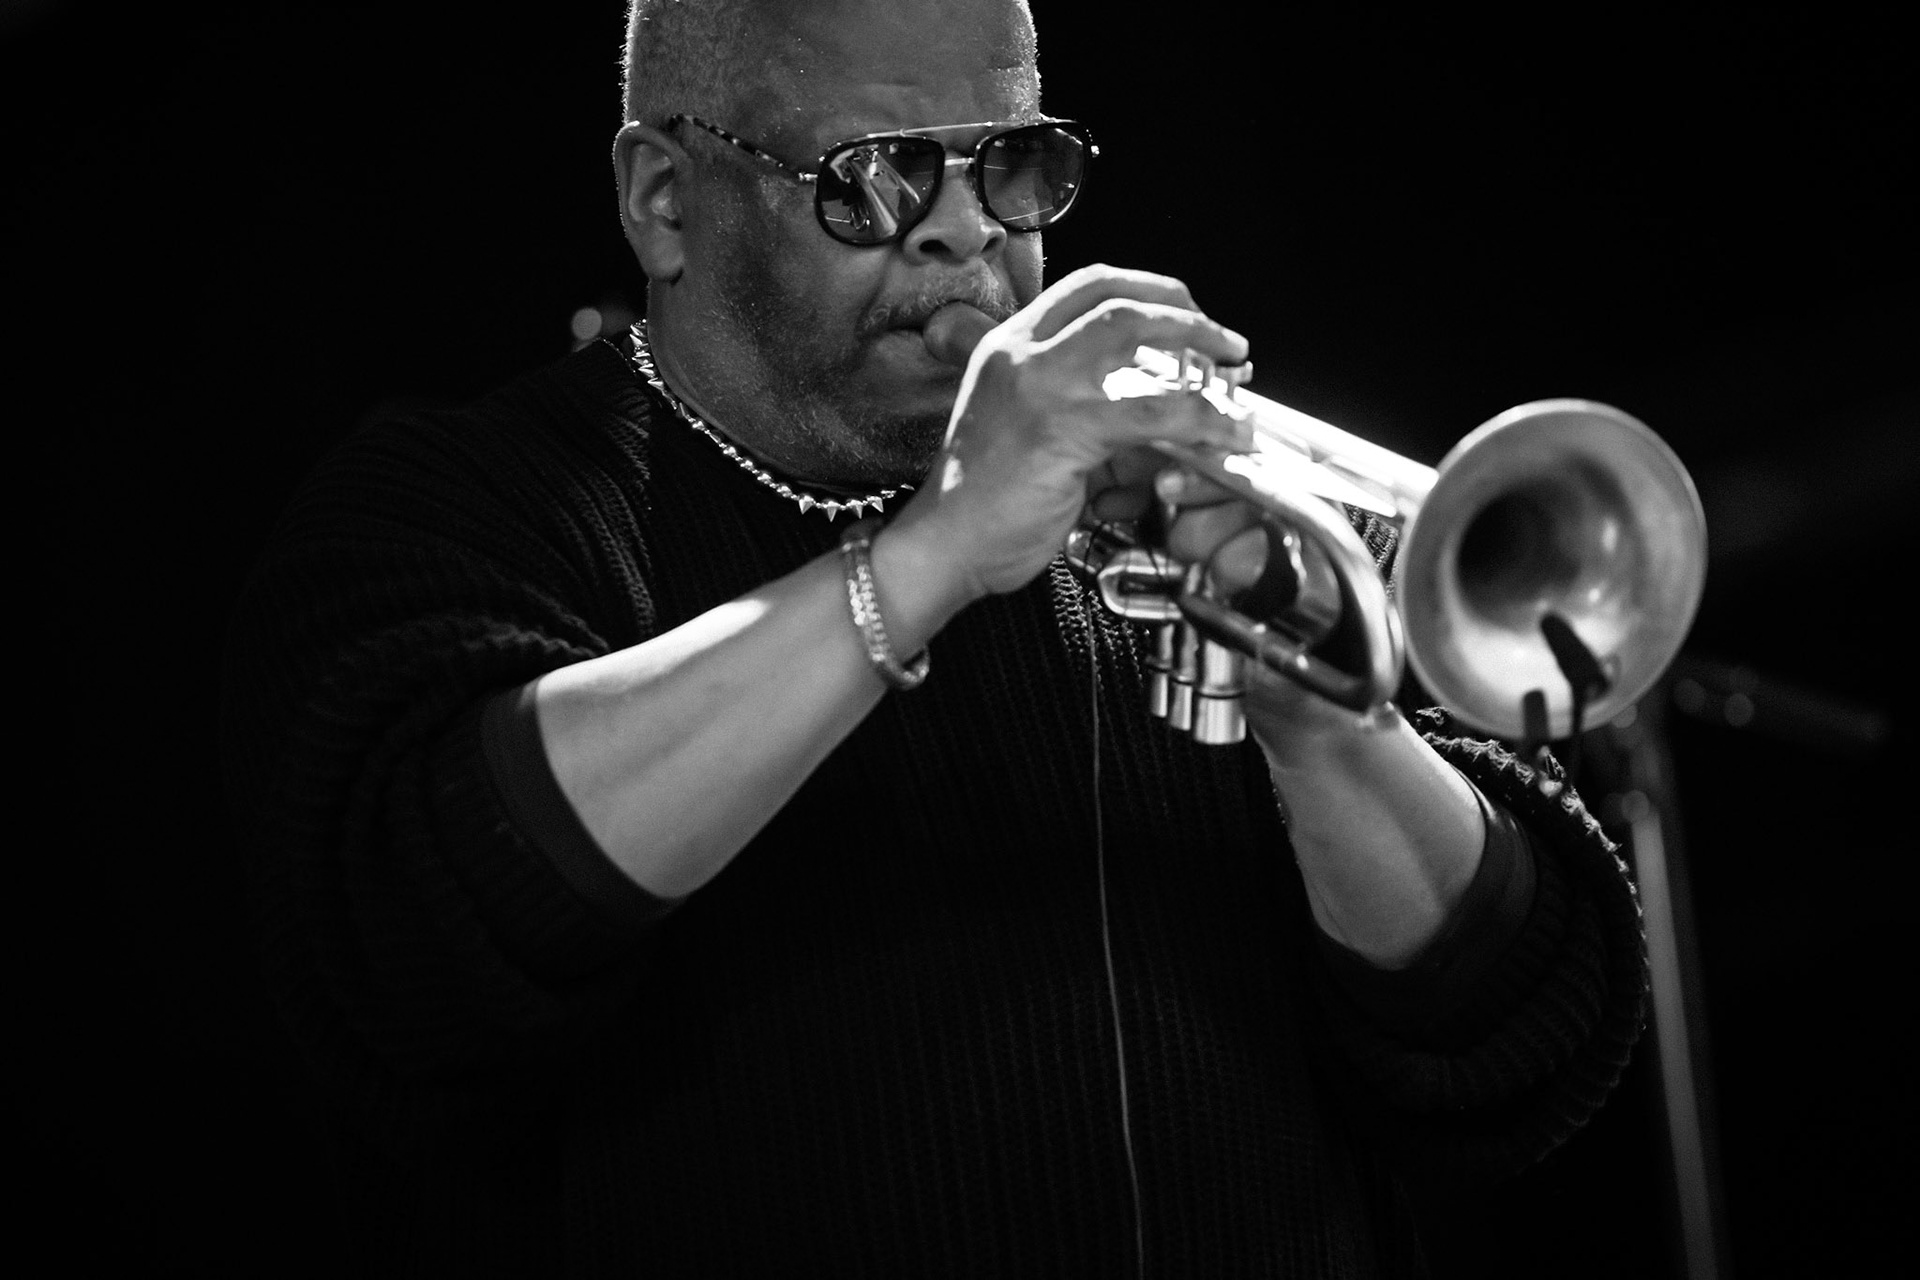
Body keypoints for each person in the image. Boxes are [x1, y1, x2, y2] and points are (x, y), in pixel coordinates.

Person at [221, 1, 1647, 1274]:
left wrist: (1328, 723)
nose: (967, 230)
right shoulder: (464, 504)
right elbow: (414, 931)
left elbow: (1532, 1040)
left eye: (1014, 165)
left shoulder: (1161, 495)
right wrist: (935, 551)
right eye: (874, 177)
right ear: (666, 200)